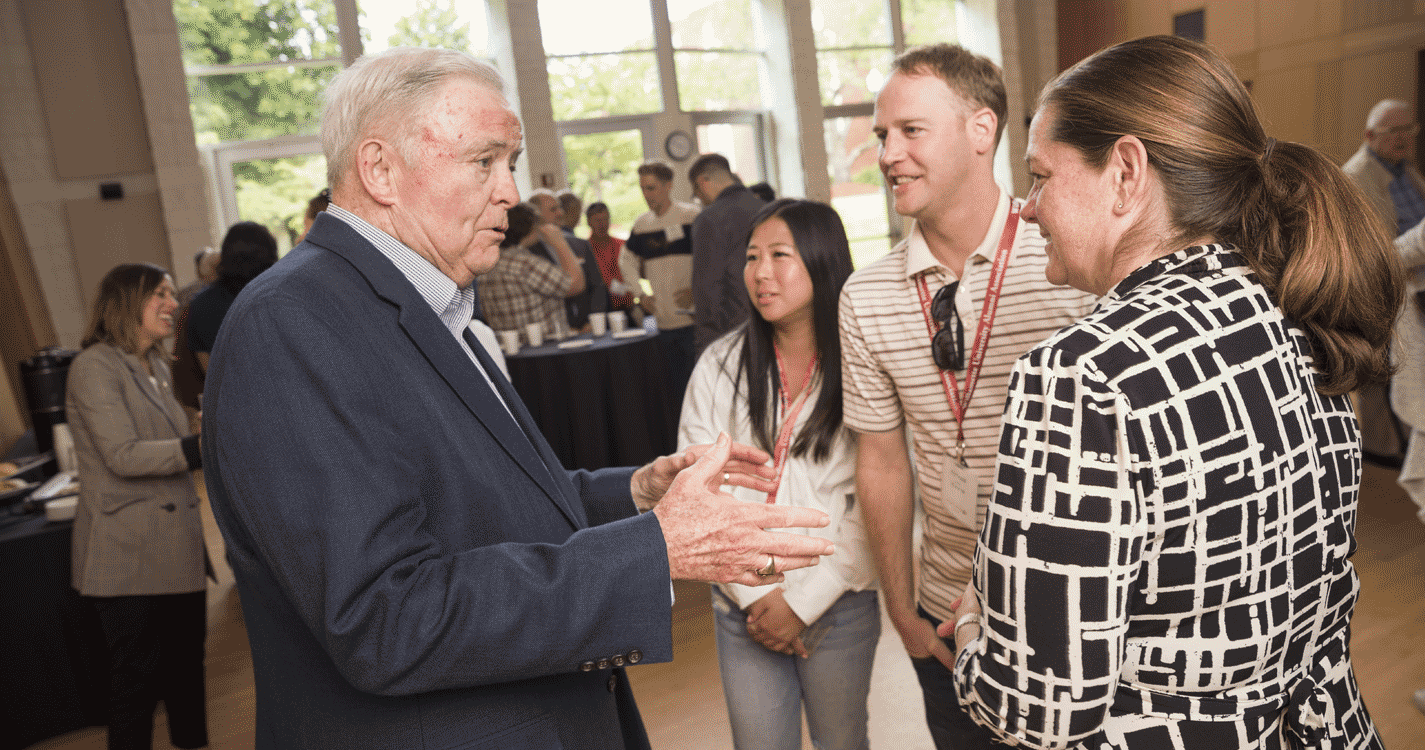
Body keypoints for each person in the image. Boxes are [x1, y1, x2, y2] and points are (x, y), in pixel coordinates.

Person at [202, 46, 836, 750]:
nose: (511, 192)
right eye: (484, 162)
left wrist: (632, 496)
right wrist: (652, 551)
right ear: (379, 169)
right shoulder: (292, 325)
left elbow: (480, 505)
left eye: (510, 161)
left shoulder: (433, 310)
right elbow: (384, 620)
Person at [940, 34, 1396, 748]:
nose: (1025, 209)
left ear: (1124, 172)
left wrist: (974, 623)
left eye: (1039, 176)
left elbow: (1037, 708)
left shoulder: (1084, 372)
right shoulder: (1298, 305)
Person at [838, 43, 1097, 749]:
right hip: (944, 616)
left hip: (1065, 609)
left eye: (909, 131)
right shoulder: (865, 297)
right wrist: (902, 609)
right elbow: (882, 462)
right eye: (881, 134)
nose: (886, 153)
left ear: (981, 131)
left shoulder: (1069, 263)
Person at [680, 199, 878, 750]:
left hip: (837, 600)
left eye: (780, 256)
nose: (761, 272)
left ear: (821, 261)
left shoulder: (861, 364)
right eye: (752, 257)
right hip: (742, 604)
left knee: (844, 742)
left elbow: (875, 501)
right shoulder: (720, 365)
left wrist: (803, 602)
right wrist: (757, 599)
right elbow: (697, 491)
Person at [66, 263, 208, 750]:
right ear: (128, 302)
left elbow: (170, 438)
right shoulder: (93, 368)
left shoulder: (159, 366)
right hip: (126, 556)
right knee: (137, 683)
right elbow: (122, 455)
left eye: (172, 294)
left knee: (188, 670)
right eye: (161, 295)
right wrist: (198, 448)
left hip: (175, 546)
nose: (173, 304)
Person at [1343, 99, 1423, 468]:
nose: (1404, 138)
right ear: (1370, 136)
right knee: (1384, 375)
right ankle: (1387, 449)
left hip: (1414, 286)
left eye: (1410, 129)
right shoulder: (1355, 178)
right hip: (1383, 291)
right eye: (1395, 132)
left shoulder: (1407, 172)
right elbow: (1372, 256)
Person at [621, 161, 701, 399]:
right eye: (643, 188)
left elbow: (711, 260)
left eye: (652, 188)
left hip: (693, 322)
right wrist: (640, 294)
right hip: (663, 325)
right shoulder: (642, 225)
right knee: (676, 394)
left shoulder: (691, 216)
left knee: (700, 392)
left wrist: (696, 291)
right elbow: (626, 261)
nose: (646, 195)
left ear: (668, 186)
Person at [689, 152, 768, 354]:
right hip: (769, 323)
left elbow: (707, 289)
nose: (700, 199)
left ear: (703, 182)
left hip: (731, 332)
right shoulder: (767, 209)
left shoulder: (709, 220)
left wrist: (705, 347)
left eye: (696, 193)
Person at [476, 201, 587, 336]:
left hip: (509, 349)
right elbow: (576, 284)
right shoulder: (526, 265)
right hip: (544, 347)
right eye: (537, 223)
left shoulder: (487, 264)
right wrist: (560, 243)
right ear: (529, 228)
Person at [186, 220, 278, 372]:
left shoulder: (201, 305)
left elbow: (209, 371)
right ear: (271, 255)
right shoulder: (281, 297)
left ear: (224, 255)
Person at [531, 188, 607, 330]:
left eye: (560, 207)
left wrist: (593, 321)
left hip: (589, 327)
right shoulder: (529, 252)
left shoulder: (581, 245)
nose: (560, 213)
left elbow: (598, 286)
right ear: (537, 214)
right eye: (554, 209)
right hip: (554, 331)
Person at [587, 201, 634, 314]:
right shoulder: (586, 250)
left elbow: (633, 274)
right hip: (600, 309)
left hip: (627, 306)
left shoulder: (622, 245)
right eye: (598, 220)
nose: (602, 224)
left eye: (605, 219)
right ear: (589, 222)